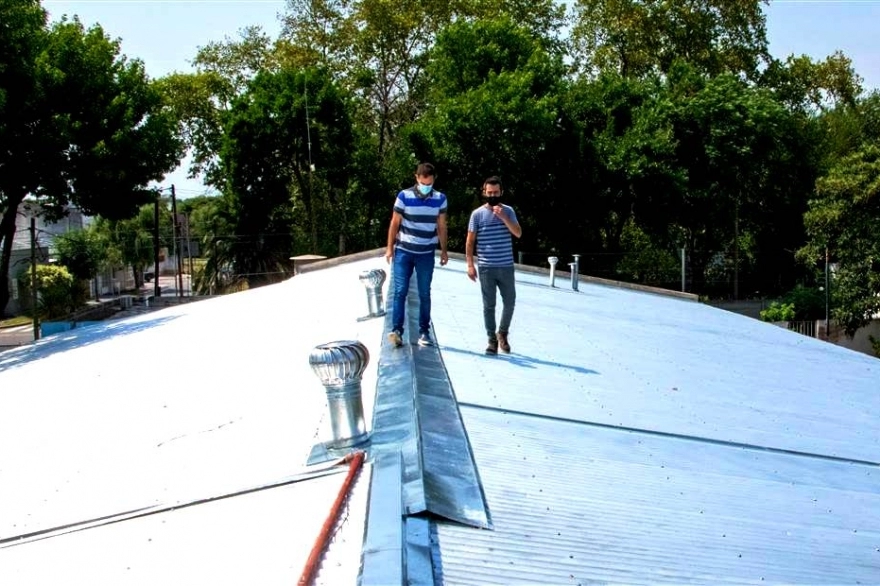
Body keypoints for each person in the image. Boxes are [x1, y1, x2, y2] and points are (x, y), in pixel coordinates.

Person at [386, 162, 449, 348]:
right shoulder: (404, 196)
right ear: (417, 178)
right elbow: (394, 222)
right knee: (400, 290)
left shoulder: (440, 199)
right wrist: (390, 248)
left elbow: (442, 225)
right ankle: (397, 330)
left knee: (424, 292)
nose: (426, 187)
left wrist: (444, 250)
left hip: (425, 253)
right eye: (423, 183)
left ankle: (424, 331)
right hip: (404, 251)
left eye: (429, 183)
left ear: (433, 180)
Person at [466, 176, 522, 355]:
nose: (492, 196)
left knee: (510, 302)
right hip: (486, 267)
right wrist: (470, 265)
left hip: (505, 265)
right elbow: (470, 241)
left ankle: (502, 333)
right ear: (484, 193)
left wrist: (504, 217)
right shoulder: (477, 214)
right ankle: (491, 340)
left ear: (501, 192)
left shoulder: (509, 211)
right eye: (489, 193)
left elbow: (518, 233)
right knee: (489, 305)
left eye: (496, 193)